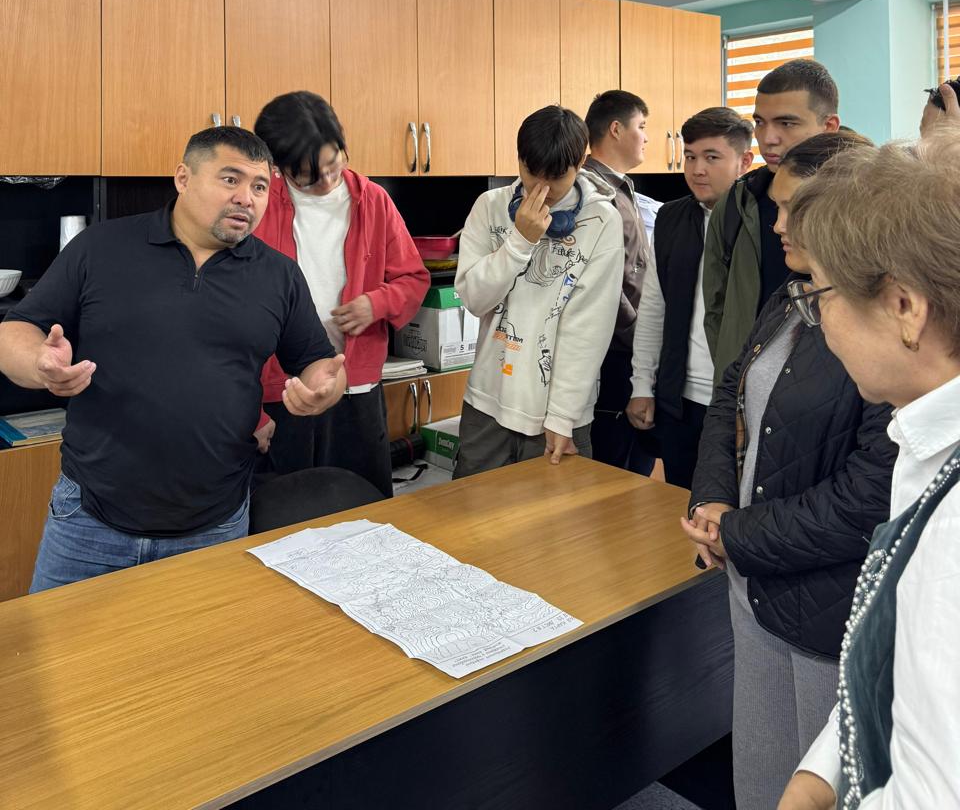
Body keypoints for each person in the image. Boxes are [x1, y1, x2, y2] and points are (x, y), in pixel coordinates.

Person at [0, 127, 346, 592]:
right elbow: (14, 331)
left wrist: (325, 388)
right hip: (88, 520)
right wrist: (39, 364)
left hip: (215, 524)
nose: (246, 198)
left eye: (260, 186)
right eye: (230, 179)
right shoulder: (100, 248)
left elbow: (318, 362)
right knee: (56, 642)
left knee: (200, 644)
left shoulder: (279, 275)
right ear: (183, 178)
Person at [682, 131, 896, 810]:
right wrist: (712, 501)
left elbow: (870, 495)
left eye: (791, 209)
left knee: (822, 782)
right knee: (760, 771)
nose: (776, 225)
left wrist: (737, 534)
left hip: (827, 609)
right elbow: (731, 395)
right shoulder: (790, 297)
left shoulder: (883, 326)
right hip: (756, 584)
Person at [776, 130, 960, 809]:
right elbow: (901, 666)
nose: (819, 320)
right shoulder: (924, 439)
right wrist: (823, 771)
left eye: (821, 296)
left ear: (904, 308)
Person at [253, 92, 428, 498]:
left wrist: (376, 303)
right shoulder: (259, 205)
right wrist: (252, 412)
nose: (328, 182)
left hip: (356, 390)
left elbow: (414, 278)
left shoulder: (373, 201)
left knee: (363, 507)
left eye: (335, 165)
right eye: (310, 177)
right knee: (284, 512)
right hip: (281, 393)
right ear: (279, 168)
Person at [453, 105, 623, 478]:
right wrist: (519, 242)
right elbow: (474, 299)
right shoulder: (489, 207)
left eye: (556, 178)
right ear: (519, 160)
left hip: (558, 414)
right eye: (531, 174)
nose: (541, 190)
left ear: (580, 163)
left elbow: (588, 329)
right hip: (487, 400)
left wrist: (562, 416)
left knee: (554, 513)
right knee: (470, 509)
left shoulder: (601, 221)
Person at [628, 107, 754, 488]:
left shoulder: (761, 224)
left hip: (740, 404)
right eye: (690, 156)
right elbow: (654, 308)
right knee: (678, 505)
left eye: (712, 157)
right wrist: (642, 386)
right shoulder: (670, 219)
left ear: (744, 161)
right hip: (679, 400)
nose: (698, 169)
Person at [703, 58, 840, 383]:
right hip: (749, 388)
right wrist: (735, 380)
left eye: (786, 123)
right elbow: (716, 307)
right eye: (760, 123)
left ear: (829, 127)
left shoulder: (871, 200)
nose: (768, 138)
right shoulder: (737, 201)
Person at [582, 89, 658, 474]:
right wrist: (639, 336)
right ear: (616, 129)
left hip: (632, 348)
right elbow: (603, 283)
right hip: (614, 352)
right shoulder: (591, 190)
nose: (646, 137)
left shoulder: (620, 186)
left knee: (637, 466)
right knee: (614, 468)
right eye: (641, 126)